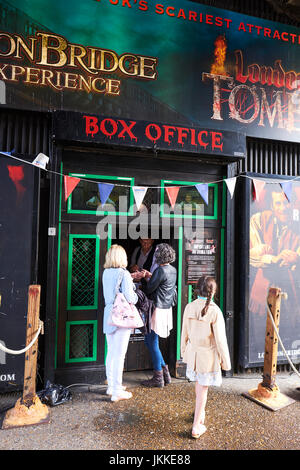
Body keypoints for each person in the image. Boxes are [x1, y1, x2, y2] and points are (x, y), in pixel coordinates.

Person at [181, 275, 231, 439]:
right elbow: (221, 341)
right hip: (207, 357)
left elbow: (184, 334)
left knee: (200, 386)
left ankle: (199, 413)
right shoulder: (215, 311)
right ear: (213, 291)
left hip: (193, 353)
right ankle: (196, 426)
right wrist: (226, 362)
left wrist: (183, 353)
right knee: (203, 389)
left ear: (197, 290)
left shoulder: (189, 307)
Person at [102, 244, 138, 402]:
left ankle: (111, 385)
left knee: (110, 352)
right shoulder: (124, 274)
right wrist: (136, 295)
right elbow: (131, 298)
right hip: (121, 315)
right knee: (120, 354)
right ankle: (117, 390)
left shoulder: (105, 273)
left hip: (108, 313)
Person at [141, 243, 177, 388]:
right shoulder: (172, 270)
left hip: (156, 309)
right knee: (150, 341)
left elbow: (150, 289)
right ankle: (165, 373)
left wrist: (142, 278)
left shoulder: (160, 271)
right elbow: (163, 283)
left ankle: (158, 377)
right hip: (166, 309)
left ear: (159, 256)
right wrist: (151, 276)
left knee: (151, 342)